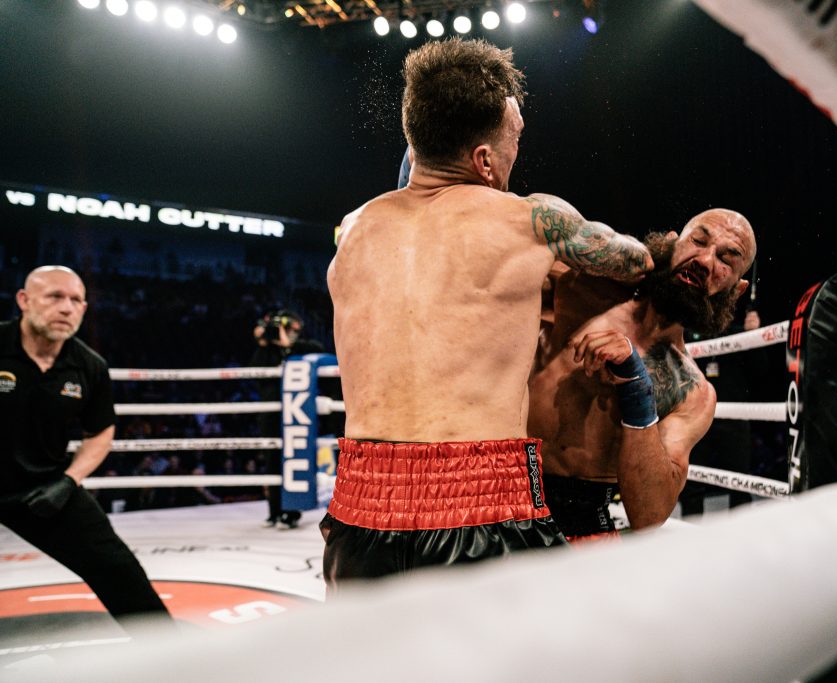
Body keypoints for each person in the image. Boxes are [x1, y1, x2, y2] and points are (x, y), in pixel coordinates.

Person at [322, 38, 654, 583]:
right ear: (484, 158)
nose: (515, 152)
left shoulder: (354, 229)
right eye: (514, 139)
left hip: (358, 511)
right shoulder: (529, 220)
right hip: (480, 509)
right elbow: (633, 260)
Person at [529, 209, 757, 540]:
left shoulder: (692, 392)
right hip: (493, 485)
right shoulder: (580, 284)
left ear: (736, 290)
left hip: (581, 522)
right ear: (671, 243)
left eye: (726, 259)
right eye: (699, 240)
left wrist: (636, 384)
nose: (705, 260)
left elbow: (648, 515)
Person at [0, 266, 173, 632]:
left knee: (116, 566)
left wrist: (69, 480)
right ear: (23, 301)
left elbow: (101, 431)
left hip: (43, 483)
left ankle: (174, 657)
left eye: (76, 300)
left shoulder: (89, 366)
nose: (66, 308)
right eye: (55, 297)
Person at [679, 307, 763, 515]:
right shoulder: (688, 337)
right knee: (692, 483)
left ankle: (741, 537)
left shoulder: (739, 334)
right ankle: (690, 535)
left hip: (734, 417)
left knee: (740, 482)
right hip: (697, 417)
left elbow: (760, 372)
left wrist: (754, 337)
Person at [250, 309, 324, 529]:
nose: (290, 332)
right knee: (272, 461)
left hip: (296, 412)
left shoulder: (301, 347)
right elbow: (255, 372)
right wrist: (264, 343)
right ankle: (274, 512)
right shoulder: (267, 351)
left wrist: (287, 346)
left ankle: (291, 513)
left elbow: (319, 350)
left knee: (294, 459)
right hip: (271, 414)